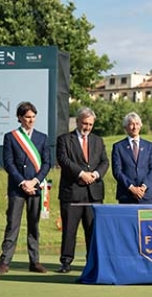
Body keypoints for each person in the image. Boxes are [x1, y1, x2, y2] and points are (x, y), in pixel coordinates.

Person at [0, 101, 51, 275]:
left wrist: (34, 181)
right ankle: (5, 262)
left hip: (36, 188)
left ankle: (34, 261)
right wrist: (22, 182)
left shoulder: (42, 138)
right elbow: (9, 163)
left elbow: (47, 163)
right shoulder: (11, 137)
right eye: (27, 117)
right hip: (17, 188)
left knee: (33, 225)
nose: (31, 120)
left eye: (33, 117)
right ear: (19, 118)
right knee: (13, 224)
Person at [56, 107, 109, 273]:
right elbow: (64, 160)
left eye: (90, 125)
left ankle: (91, 262)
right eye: (85, 123)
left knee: (92, 231)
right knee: (69, 230)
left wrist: (95, 174)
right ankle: (66, 262)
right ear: (78, 121)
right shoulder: (64, 139)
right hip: (72, 192)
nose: (87, 127)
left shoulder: (98, 141)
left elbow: (104, 162)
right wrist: (81, 174)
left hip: (93, 193)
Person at [112, 112, 152, 204]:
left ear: (140, 126)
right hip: (126, 195)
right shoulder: (118, 147)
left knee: (146, 219)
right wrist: (131, 188)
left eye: (137, 124)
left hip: (146, 195)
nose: (135, 127)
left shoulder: (149, 146)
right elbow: (117, 171)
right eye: (131, 124)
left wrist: (144, 187)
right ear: (126, 127)